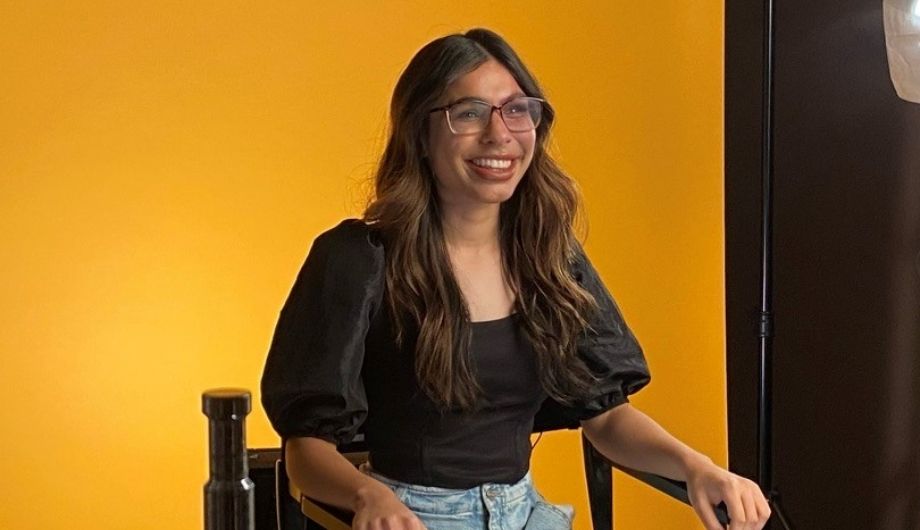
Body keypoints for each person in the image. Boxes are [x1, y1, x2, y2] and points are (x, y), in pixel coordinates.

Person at [261, 28, 770, 530]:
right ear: (421, 133)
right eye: (469, 113)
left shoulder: (547, 255)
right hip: (410, 521)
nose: (499, 134)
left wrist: (699, 468)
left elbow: (607, 418)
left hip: (528, 516)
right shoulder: (356, 260)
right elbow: (305, 448)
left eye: (516, 109)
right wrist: (367, 496)